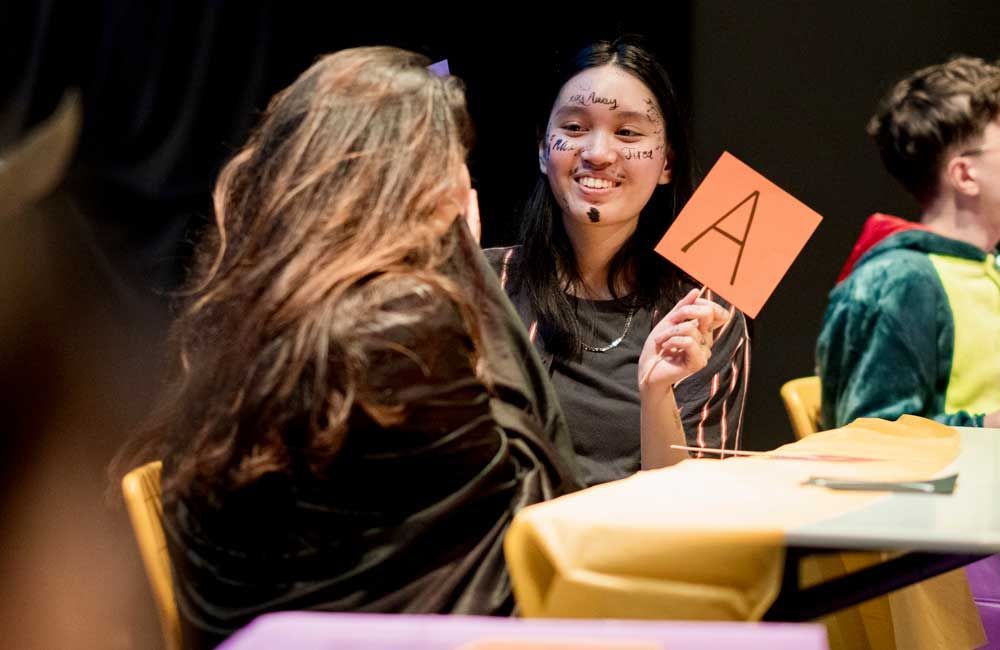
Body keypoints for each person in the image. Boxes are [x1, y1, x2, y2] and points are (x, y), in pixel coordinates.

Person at [144, 46, 579, 649]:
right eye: (454, 163)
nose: (465, 183)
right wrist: (465, 266)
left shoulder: (242, 307)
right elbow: (544, 501)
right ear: (412, 184)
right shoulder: (399, 322)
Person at [485, 37, 750, 487]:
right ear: (542, 150)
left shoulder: (704, 313)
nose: (598, 153)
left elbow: (691, 510)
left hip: (631, 553)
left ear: (667, 163)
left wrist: (656, 393)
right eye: (573, 128)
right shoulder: (482, 284)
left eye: (627, 133)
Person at [817, 56, 1000, 430]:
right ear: (965, 175)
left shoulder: (989, 267)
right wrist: (987, 426)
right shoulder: (902, 283)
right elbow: (872, 439)